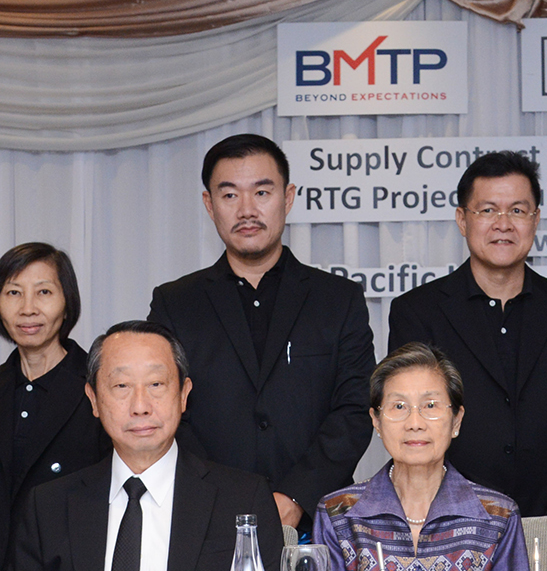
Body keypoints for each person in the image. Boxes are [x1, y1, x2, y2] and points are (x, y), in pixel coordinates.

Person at [146, 134, 375, 536]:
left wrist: (296, 496)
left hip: (317, 520)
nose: (247, 210)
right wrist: (226, 496)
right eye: (230, 195)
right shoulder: (176, 304)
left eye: (262, 192)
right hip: (206, 518)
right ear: (209, 204)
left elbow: (355, 409)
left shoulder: (338, 299)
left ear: (288, 198)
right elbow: (164, 407)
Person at [0, 321, 290, 571]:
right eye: (121, 386)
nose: (140, 406)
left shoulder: (243, 500)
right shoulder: (48, 507)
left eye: (156, 384)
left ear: (183, 394)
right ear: (93, 399)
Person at [387, 151, 547, 518]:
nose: (503, 224)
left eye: (517, 211)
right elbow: (410, 426)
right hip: (448, 521)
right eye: (487, 210)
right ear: (462, 220)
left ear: (536, 220)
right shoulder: (418, 312)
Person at [314, 343, 532, 571]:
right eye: (399, 406)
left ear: (456, 420)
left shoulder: (497, 516)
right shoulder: (338, 514)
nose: (414, 423)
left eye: (430, 406)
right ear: (376, 422)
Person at [0, 243, 110, 571]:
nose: (28, 308)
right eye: (14, 292)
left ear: (67, 301)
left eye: (44, 292)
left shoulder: (97, 387)